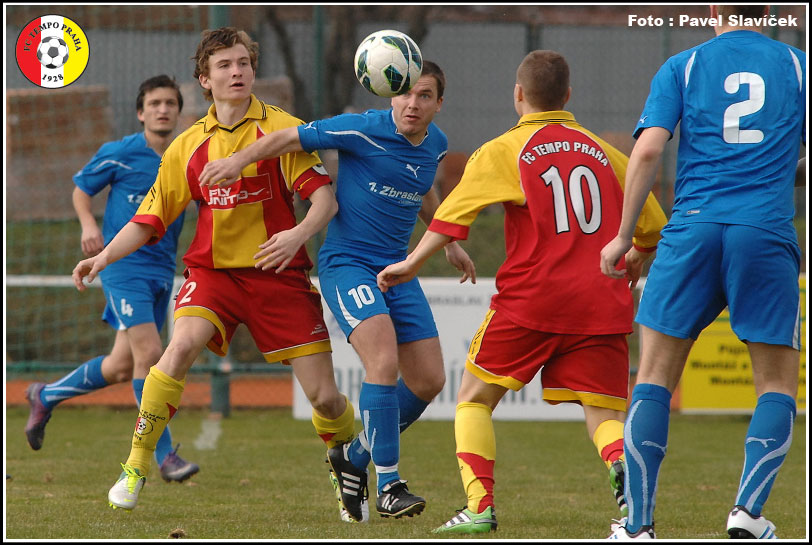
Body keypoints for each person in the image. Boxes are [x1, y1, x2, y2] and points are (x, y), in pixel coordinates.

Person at [377, 50, 667, 534]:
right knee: (603, 413)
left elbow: (452, 216)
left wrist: (412, 262)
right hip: (601, 300)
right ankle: (620, 467)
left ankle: (479, 507)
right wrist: (638, 253)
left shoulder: (505, 150)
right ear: (567, 96)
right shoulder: (608, 152)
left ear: (518, 94)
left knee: (474, 399)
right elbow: (654, 225)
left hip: (533, 299)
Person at [71, 27, 357, 512]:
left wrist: (296, 235)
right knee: (177, 349)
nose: (237, 72)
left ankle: (345, 464)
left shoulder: (282, 129)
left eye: (244, 63)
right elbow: (148, 220)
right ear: (205, 80)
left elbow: (324, 202)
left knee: (326, 399)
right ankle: (136, 466)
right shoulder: (186, 146)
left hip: (278, 276)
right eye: (224, 65)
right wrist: (102, 257)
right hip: (213, 276)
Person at [198, 60, 475, 522]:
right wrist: (236, 160)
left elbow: (423, 188)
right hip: (348, 265)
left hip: (397, 270)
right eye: (406, 93)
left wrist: (447, 242)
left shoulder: (437, 144)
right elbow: (287, 138)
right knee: (382, 361)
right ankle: (389, 484)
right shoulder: (362, 129)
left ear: (439, 103)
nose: (412, 103)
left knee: (429, 380)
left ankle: (354, 455)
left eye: (424, 95)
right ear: (390, 93)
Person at [600, 5, 805, 540]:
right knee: (776, 385)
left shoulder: (684, 65)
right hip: (764, 231)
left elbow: (648, 150)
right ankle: (747, 513)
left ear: (714, 9)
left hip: (692, 228)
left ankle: (638, 526)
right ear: (770, 10)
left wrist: (624, 236)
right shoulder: (799, 65)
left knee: (653, 377)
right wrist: (780, 170)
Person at [24, 75, 199, 483]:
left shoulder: (185, 156)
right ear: (140, 113)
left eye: (170, 103)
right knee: (150, 354)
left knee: (122, 366)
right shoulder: (119, 153)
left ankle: (44, 395)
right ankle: (164, 455)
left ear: (178, 111)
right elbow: (81, 189)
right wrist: (89, 225)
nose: (162, 110)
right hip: (123, 267)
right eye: (154, 103)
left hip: (161, 270)